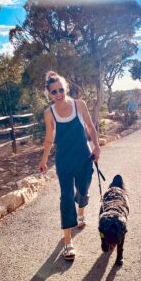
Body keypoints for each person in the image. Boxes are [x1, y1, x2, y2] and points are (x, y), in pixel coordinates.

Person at [39, 70, 100, 261]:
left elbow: (90, 127)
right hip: (64, 160)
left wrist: (97, 147)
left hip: (83, 157)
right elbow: (49, 139)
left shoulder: (79, 104)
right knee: (66, 198)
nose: (58, 94)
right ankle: (68, 242)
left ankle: (80, 212)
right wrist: (43, 159)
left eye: (60, 90)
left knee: (82, 189)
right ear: (49, 94)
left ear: (65, 88)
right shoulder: (49, 113)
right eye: (54, 92)